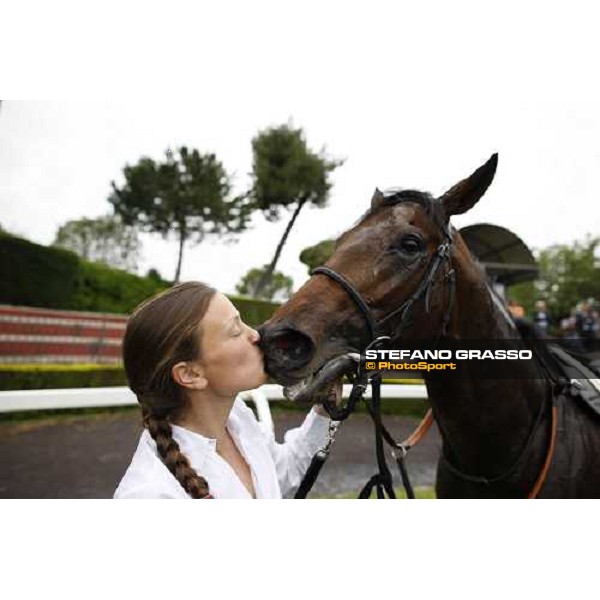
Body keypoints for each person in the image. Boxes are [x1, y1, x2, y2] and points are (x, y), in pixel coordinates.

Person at [114, 281, 336, 499]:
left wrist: (325, 409)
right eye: (235, 330)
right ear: (191, 374)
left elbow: (284, 476)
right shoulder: (149, 494)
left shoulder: (237, 418)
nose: (255, 335)